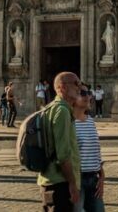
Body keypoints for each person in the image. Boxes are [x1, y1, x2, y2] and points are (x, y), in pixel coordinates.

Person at [38, 72, 82, 212]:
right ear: (62, 88)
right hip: (59, 184)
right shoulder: (62, 111)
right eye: (76, 84)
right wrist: (72, 184)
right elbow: (63, 155)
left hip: (50, 181)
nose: (79, 87)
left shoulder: (51, 108)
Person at [73, 86, 105, 212]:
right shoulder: (69, 123)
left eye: (89, 93)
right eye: (83, 93)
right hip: (77, 180)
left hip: (94, 179)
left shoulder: (91, 121)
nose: (88, 96)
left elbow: (96, 153)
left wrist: (102, 178)